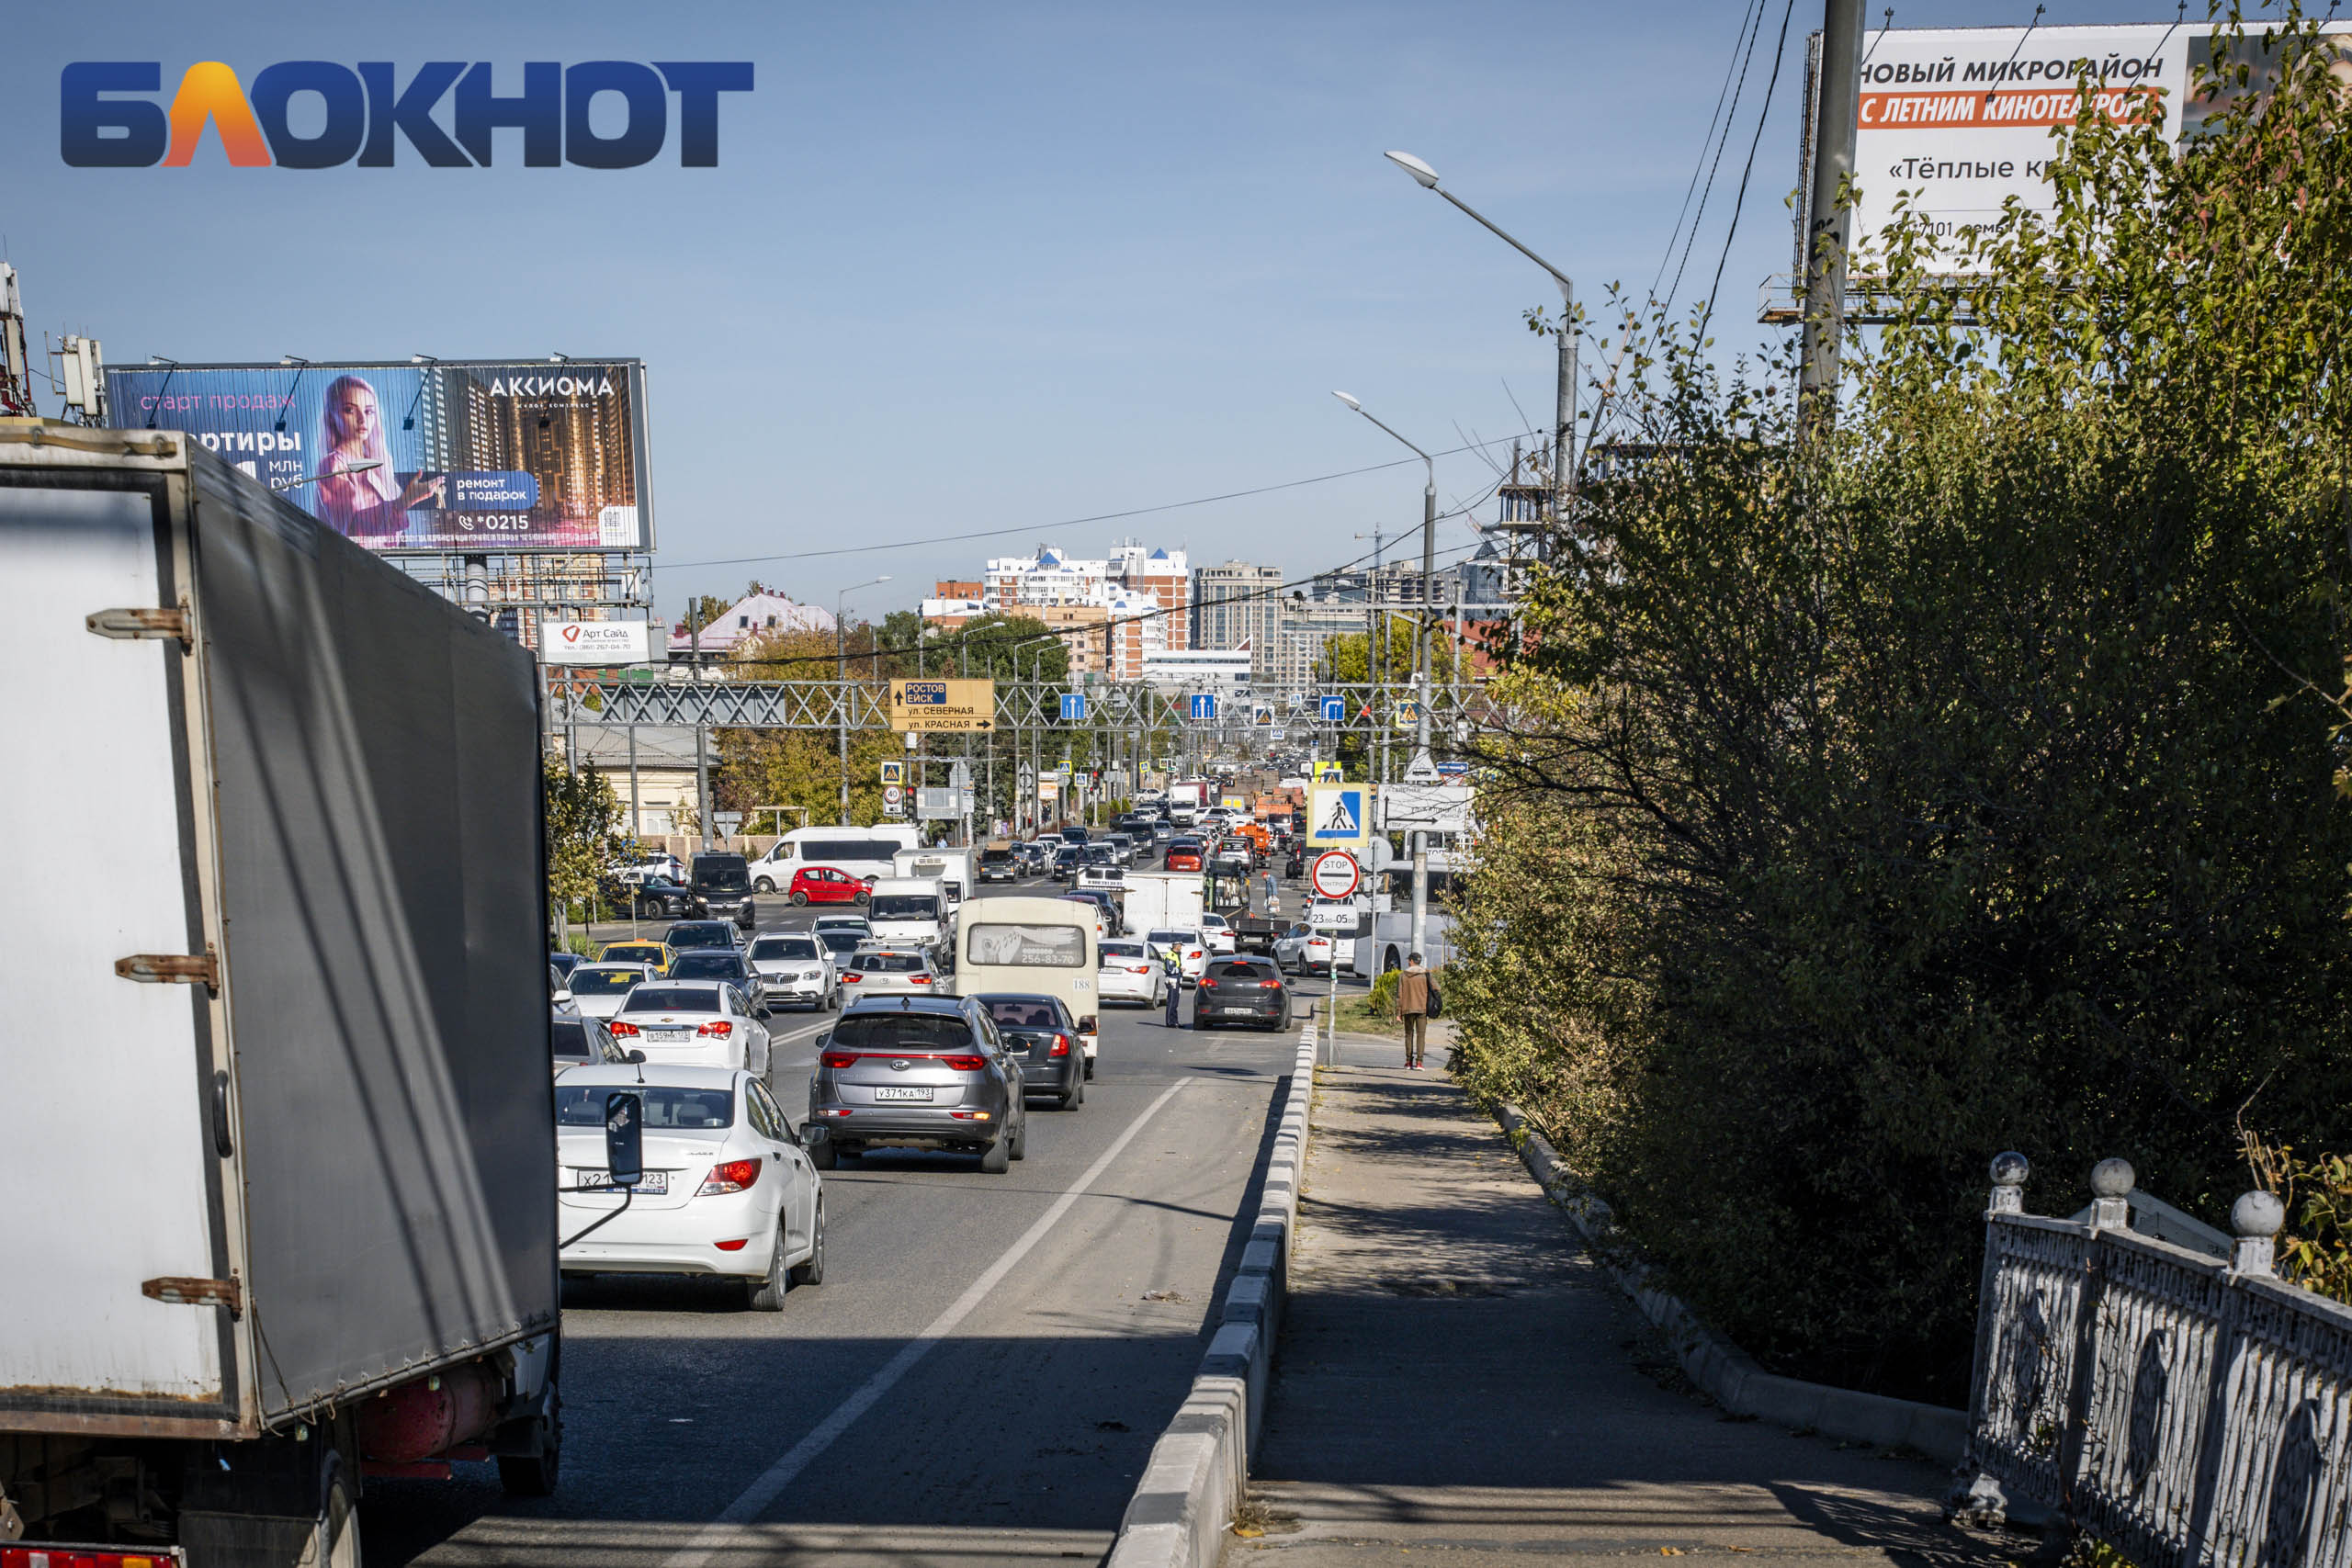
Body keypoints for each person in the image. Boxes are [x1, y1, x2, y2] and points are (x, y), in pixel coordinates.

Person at [311, 374, 445, 541]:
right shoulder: (332, 465)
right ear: (332, 416)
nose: (362, 419)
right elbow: (352, 530)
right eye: (350, 410)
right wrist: (404, 502)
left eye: (368, 411)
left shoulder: (375, 464)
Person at [1396, 952, 1431, 1070]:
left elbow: (1399, 995)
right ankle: (1420, 1063)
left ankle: (1408, 1062)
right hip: (1422, 1009)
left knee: (1409, 1035)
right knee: (1421, 1036)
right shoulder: (1425, 975)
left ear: (1411, 961)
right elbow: (1437, 988)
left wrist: (1398, 1013)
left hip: (1407, 1009)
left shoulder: (1403, 975)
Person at [1162, 939, 1185, 1028]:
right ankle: (1169, 1022)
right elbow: (1169, 969)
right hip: (1172, 981)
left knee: (1175, 1003)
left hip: (1177, 981)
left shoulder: (1176, 955)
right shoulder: (1170, 955)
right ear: (1177, 946)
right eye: (1180, 945)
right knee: (1171, 1002)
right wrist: (1180, 970)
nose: (1181, 947)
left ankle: (1175, 1021)